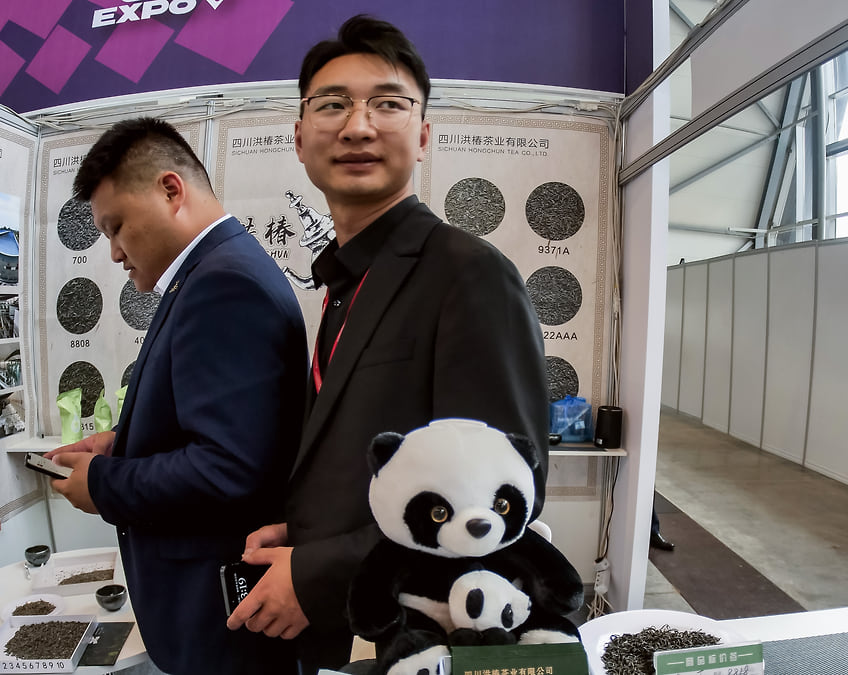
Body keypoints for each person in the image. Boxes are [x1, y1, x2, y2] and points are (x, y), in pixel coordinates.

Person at [225, 15, 550, 673]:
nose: (358, 127)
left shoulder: (467, 274)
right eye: (332, 105)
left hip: (418, 637)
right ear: (299, 137)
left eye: (388, 104)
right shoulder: (345, 281)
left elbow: (501, 493)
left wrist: (316, 572)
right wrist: (308, 530)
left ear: (423, 135)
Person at [44, 117, 309, 674]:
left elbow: (228, 468)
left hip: (220, 617)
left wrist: (103, 483)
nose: (114, 253)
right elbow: (221, 429)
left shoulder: (224, 284)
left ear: (170, 190)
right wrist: (121, 443)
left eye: (117, 227)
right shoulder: (214, 272)